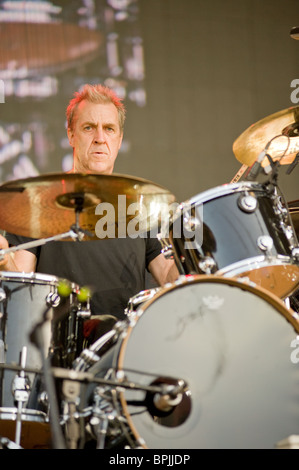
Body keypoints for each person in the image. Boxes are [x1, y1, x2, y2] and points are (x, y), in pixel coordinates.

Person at [0, 84, 179, 337]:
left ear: (119, 140)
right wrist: (5, 261)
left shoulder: (140, 206)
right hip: (59, 352)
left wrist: (187, 248)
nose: (99, 138)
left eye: (109, 129)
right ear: (71, 135)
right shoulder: (39, 201)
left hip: (126, 352)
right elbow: (20, 290)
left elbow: (169, 280)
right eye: (88, 128)